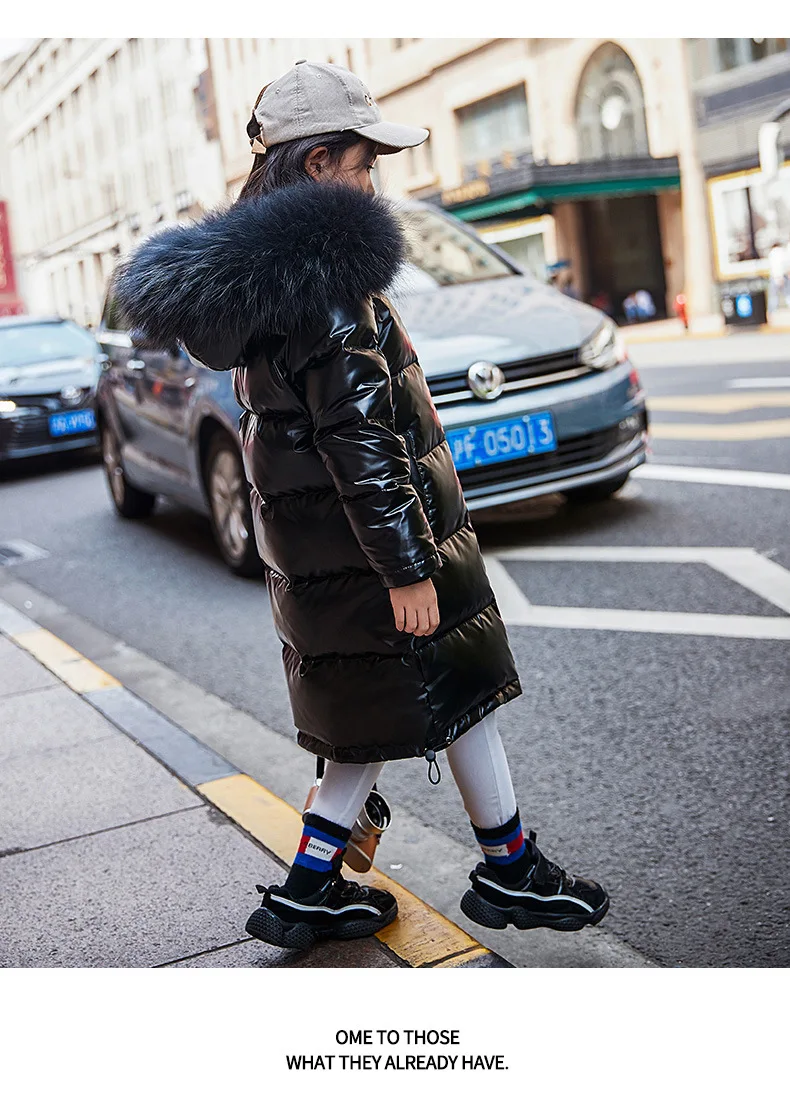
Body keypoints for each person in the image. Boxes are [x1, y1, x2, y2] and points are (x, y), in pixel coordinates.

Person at [114, 60, 609, 950]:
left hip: (322, 553)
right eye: (362, 162)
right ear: (316, 167)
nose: (372, 180)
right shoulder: (326, 288)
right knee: (445, 688)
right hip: (371, 546)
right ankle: (507, 870)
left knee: (373, 713)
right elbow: (364, 443)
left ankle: (323, 888)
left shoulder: (263, 285)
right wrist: (409, 566)